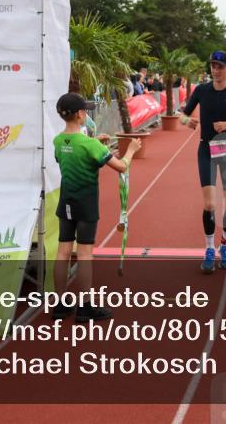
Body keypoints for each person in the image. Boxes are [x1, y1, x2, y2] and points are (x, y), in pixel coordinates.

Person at [51, 93, 141, 322]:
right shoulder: (89, 144)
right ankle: (85, 306)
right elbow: (121, 166)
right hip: (85, 203)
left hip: (66, 202)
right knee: (84, 254)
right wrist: (131, 149)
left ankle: (60, 305)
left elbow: (73, 156)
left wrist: (96, 144)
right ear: (81, 114)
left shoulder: (58, 141)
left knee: (62, 252)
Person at [179, 51, 226, 273]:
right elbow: (181, 115)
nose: (215, 70)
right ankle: (209, 249)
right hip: (206, 151)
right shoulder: (201, 90)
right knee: (210, 205)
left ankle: (225, 245)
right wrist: (187, 121)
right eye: (213, 65)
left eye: (220, 66)